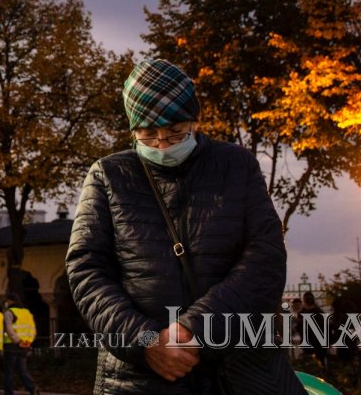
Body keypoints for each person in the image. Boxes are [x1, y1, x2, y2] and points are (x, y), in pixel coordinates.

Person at [65, 59, 304, 394]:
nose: (163, 145)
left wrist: (195, 329)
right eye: (149, 135)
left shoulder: (237, 166)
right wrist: (145, 340)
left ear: (195, 120)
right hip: (137, 379)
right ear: (133, 131)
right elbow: (86, 270)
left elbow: (265, 256)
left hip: (235, 371)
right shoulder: (107, 176)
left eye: (176, 133)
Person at [2, 291, 36, 395]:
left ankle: (9, 392)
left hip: (11, 345)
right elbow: (32, 329)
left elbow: (9, 329)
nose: (6, 302)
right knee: (22, 370)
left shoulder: (9, 313)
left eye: (7, 300)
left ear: (10, 301)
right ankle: (32, 388)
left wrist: (18, 341)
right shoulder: (27, 312)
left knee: (9, 371)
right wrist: (28, 341)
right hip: (24, 346)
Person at [300, 291, 329, 373]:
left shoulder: (306, 315)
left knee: (311, 368)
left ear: (304, 302)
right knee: (321, 365)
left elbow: (305, 330)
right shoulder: (321, 313)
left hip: (310, 344)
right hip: (321, 344)